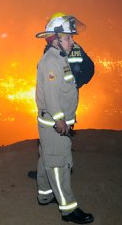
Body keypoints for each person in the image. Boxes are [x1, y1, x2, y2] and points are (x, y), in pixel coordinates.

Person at [34, 14, 94, 223]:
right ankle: (68, 209)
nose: (72, 42)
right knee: (59, 164)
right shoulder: (52, 62)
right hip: (54, 124)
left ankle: (45, 195)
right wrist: (60, 120)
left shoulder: (60, 57)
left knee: (47, 157)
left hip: (51, 123)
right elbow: (51, 97)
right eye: (68, 38)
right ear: (56, 39)